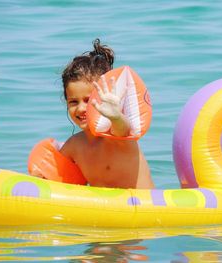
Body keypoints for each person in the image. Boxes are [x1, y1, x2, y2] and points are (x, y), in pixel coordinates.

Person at [59, 38, 154, 189]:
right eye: (73, 102)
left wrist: (116, 116)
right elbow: (58, 180)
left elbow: (123, 129)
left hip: (142, 208)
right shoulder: (74, 146)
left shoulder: (115, 135)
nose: (81, 108)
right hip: (107, 210)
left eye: (88, 100)